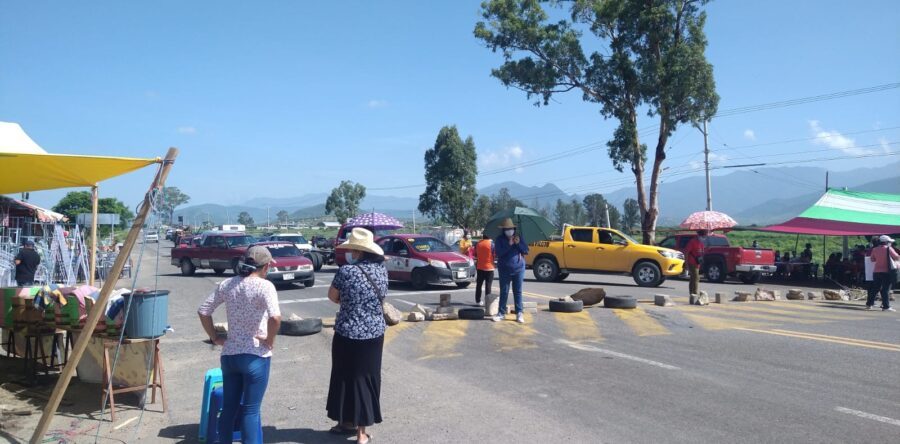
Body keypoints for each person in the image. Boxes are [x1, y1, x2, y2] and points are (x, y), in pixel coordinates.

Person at [197, 246, 282, 444]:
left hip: (230, 355)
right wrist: (270, 340)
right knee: (251, 411)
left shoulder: (228, 284)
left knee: (229, 409)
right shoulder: (265, 286)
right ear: (266, 266)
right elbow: (275, 318)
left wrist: (214, 337)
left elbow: (203, 311)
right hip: (255, 355)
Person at [327, 228, 387, 444]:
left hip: (347, 333)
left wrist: (349, 302)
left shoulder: (346, 271)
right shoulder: (382, 271)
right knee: (367, 379)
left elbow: (332, 296)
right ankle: (361, 432)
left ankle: (346, 422)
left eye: (352, 248)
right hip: (374, 334)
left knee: (344, 377)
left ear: (358, 251)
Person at [492, 218, 529, 324]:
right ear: (503, 230)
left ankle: (519, 313)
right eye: (507, 229)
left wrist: (518, 244)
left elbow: (525, 251)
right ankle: (501, 313)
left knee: (518, 291)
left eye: (511, 228)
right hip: (504, 269)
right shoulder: (499, 239)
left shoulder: (519, 238)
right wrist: (509, 244)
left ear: (514, 229)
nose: (509, 230)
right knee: (504, 291)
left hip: (519, 269)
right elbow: (499, 253)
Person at [869, 235, 899, 312]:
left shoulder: (875, 249)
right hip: (887, 272)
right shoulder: (889, 249)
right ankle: (886, 306)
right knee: (886, 289)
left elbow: (872, 259)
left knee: (875, 288)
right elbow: (896, 257)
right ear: (886, 242)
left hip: (876, 271)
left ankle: (869, 303)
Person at [474, 233, 495, 306]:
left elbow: (475, 254)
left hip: (480, 267)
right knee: (488, 286)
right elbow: (494, 254)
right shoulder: (492, 244)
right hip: (489, 267)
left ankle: (477, 301)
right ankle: (487, 302)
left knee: (479, 285)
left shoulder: (478, 243)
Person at [684, 230, 707, 296]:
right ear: (699, 235)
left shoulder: (701, 243)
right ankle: (695, 293)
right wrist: (686, 263)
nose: (704, 237)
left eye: (705, 236)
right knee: (696, 277)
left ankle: (692, 294)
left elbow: (701, 253)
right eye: (703, 236)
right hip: (692, 262)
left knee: (693, 278)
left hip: (697, 263)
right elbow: (686, 252)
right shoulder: (692, 242)